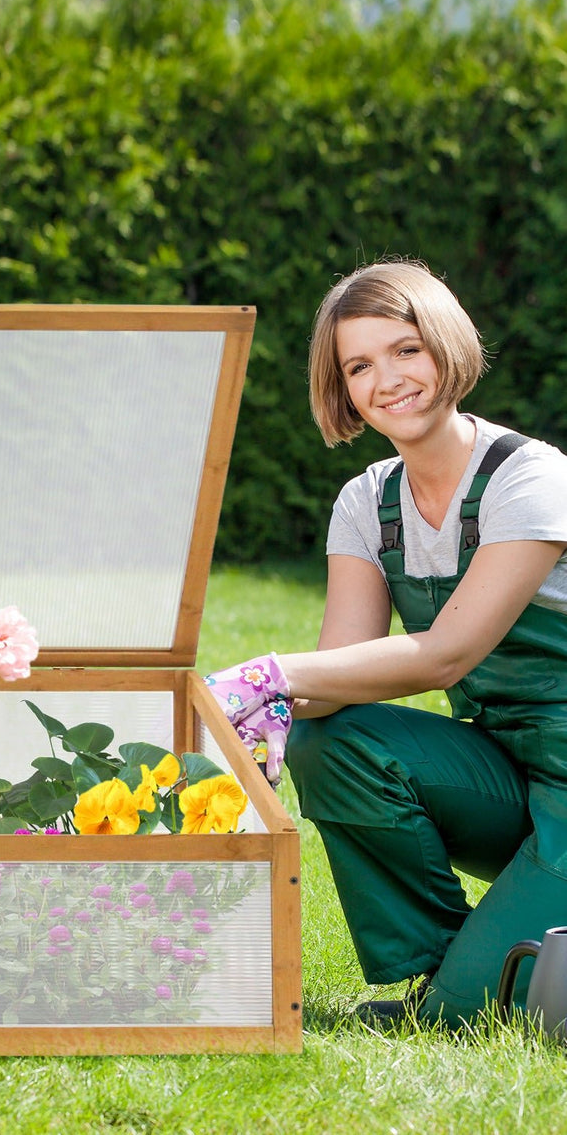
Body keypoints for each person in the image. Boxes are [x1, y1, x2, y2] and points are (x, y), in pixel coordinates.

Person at [205, 259, 567, 1028]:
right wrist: (245, 721)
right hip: (510, 771)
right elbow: (341, 678)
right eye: (359, 365)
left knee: (483, 1017)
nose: (387, 380)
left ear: (446, 345)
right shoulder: (368, 501)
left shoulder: (530, 478)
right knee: (326, 737)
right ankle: (438, 967)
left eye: (406, 349)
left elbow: (447, 655)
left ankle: (461, 988)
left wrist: (264, 674)